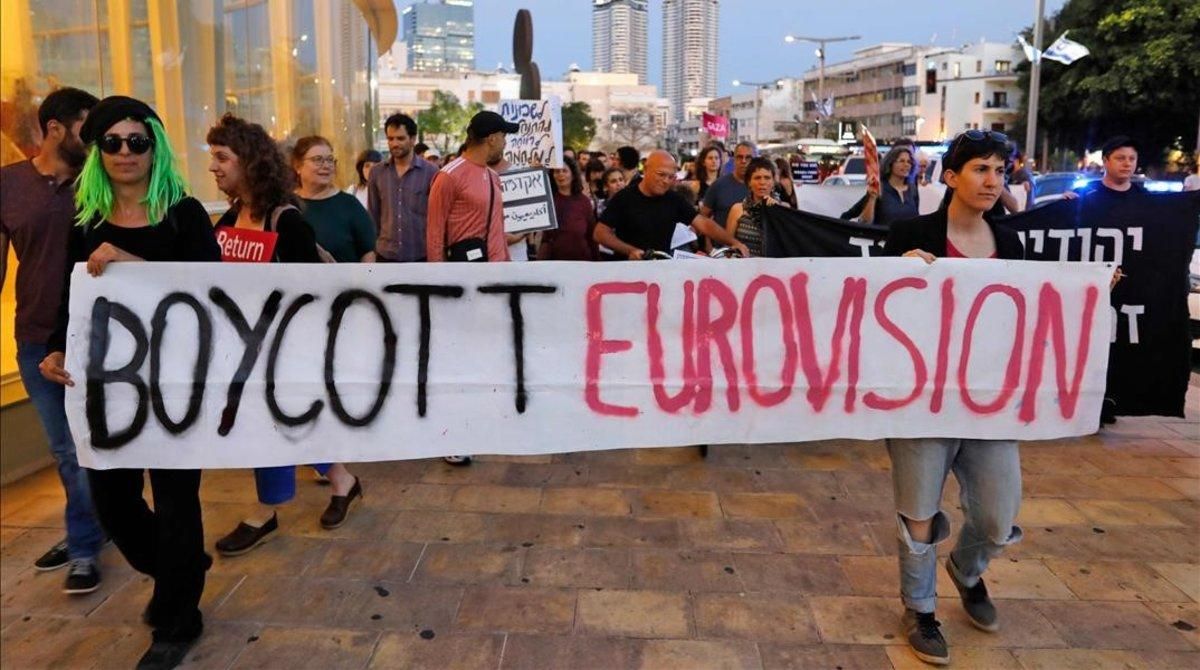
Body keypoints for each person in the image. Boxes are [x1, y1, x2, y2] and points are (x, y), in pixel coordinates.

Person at [38, 95, 219, 670]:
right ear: (96, 151)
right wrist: (54, 349)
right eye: (111, 142)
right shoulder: (84, 219)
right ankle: (178, 570)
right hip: (107, 388)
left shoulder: (184, 213)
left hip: (174, 387)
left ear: (154, 147)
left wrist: (128, 261)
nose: (124, 152)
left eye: (136, 141)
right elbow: (72, 299)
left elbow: (210, 291)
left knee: (174, 500)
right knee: (113, 501)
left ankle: (178, 616)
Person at [881, 130, 1027, 667]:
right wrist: (896, 270)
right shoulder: (909, 233)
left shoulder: (1010, 242)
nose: (993, 181)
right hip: (919, 400)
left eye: (1000, 171)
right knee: (918, 511)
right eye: (981, 170)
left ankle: (966, 570)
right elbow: (865, 302)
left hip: (989, 402)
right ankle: (919, 609)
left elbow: (1030, 313)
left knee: (997, 514)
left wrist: (1084, 294)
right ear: (951, 177)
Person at [206, 114, 363, 554]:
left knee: (272, 421)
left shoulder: (286, 222)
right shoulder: (230, 219)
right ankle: (341, 480)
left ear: (250, 161)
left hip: (287, 352)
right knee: (277, 421)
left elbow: (313, 294)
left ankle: (265, 510)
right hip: (246, 349)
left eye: (222, 157)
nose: (214, 168)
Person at [0, 87, 107, 592]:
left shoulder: (103, 182)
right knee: (67, 450)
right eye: (86, 128)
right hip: (37, 337)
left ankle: (91, 534)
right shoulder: (8, 185)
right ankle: (86, 539)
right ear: (55, 128)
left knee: (95, 445)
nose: (97, 139)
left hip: (102, 335)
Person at [426, 111, 519, 465]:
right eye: (504, 136)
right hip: (461, 284)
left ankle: (478, 425)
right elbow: (434, 233)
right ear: (492, 138)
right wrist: (440, 283)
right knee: (459, 361)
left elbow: (494, 231)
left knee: (487, 357)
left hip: (495, 281)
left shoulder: (492, 178)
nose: (506, 142)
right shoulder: (448, 177)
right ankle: (454, 434)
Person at [594, 150, 748, 259]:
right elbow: (600, 233)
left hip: (662, 272)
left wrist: (734, 242)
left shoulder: (674, 200)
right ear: (646, 170)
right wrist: (630, 251)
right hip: (627, 273)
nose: (665, 181)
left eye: (671, 177)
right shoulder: (624, 197)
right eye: (661, 175)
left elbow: (704, 224)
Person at [368, 113, 438, 263]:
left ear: (413, 139)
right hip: (385, 255)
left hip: (420, 255)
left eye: (400, 138)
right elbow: (373, 214)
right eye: (390, 138)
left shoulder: (431, 172)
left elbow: (437, 217)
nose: (394, 143)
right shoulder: (377, 172)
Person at [292, 137, 375, 263]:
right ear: (298, 166)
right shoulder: (287, 206)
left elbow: (368, 253)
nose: (326, 166)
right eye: (318, 160)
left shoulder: (350, 205)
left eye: (330, 160)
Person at [538, 156, 597, 260]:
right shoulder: (548, 201)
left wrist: (597, 261)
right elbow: (544, 237)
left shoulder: (584, 201)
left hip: (582, 261)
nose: (561, 174)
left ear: (573, 175)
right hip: (554, 262)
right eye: (557, 171)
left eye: (564, 171)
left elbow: (591, 234)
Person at [726, 157, 782, 257]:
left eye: (767, 177)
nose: (762, 182)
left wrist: (776, 211)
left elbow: (786, 244)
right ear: (749, 182)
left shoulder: (784, 209)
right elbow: (728, 244)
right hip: (744, 268)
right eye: (757, 178)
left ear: (773, 182)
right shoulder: (738, 209)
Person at [700, 141, 753, 237]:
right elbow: (703, 218)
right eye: (740, 157)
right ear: (734, 159)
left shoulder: (760, 187)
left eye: (748, 158)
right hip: (721, 247)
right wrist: (709, 246)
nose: (744, 161)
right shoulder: (718, 185)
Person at [859, 145, 920, 226]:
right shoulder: (879, 188)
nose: (906, 165)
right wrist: (872, 198)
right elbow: (864, 222)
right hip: (884, 237)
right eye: (902, 161)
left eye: (909, 162)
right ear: (890, 164)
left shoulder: (913, 190)